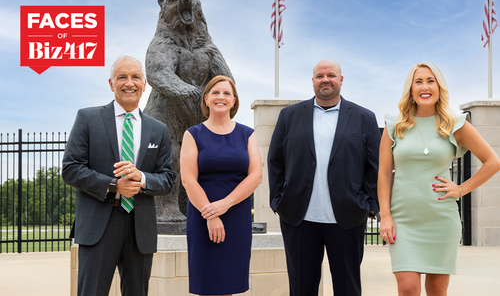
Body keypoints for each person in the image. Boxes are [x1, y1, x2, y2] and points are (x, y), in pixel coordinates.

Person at [378, 61, 500, 296]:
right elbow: (383, 174)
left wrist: (462, 189)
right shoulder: (394, 126)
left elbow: (493, 161)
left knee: (436, 291)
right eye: (419, 81)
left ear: (439, 87)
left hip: (441, 221)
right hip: (403, 221)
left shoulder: (455, 125)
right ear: (411, 89)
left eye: (431, 81)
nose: (425, 87)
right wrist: (385, 216)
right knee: (407, 288)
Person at [62, 55, 176, 296]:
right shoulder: (88, 118)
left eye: (135, 77)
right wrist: (114, 185)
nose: (129, 83)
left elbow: (167, 179)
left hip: (140, 230)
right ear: (111, 83)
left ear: (145, 84)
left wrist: (142, 178)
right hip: (98, 227)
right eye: (122, 77)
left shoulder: (159, 129)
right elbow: (71, 169)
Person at [268, 58, 380, 296]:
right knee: (301, 288)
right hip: (299, 218)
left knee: (348, 288)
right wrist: (279, 201)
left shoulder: (364, 118)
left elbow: (375, 168)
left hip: (348, 218)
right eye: (320, 76)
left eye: (331, 75)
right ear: (312, 81)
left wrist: (369, 206)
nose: (325, 80)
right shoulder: (289, 116)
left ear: (341, 80)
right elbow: (275, 161)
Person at [179, 75, 262, 296]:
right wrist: (211, 215)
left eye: (227, 93)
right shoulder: (192, 134)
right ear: (206, 99)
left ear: (234, 101)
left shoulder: (248, 134)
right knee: (208, 285)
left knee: (230, 284)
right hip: (202, 214)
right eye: (215, 92)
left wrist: (225, 205)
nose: (221, 97)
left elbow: (255, 176)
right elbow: (188, 180)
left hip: (236, 215)